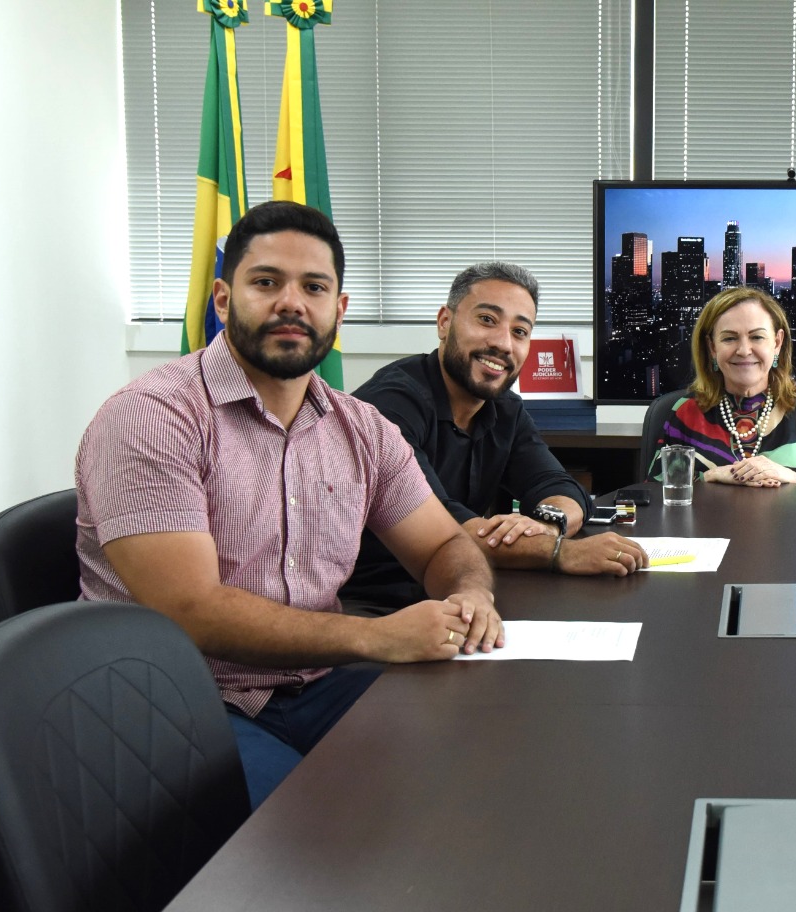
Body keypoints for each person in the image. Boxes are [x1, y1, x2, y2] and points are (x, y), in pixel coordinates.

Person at [76, 201, 504, 808]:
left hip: (313, 681)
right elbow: (188, 610)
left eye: (314, 287)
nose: (292, 303)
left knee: (480, 757)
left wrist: (470, 593)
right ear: (223, 300)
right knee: (310, 832)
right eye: (266, 282)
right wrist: (375, 637)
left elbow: (443, 543)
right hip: (178, 696)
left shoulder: (364, 428)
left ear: (339, 310)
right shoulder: (154, 417)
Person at [343, 262, 647, 613]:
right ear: (445, 323)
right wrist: (561, 551)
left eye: (520, 332)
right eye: (487, 320)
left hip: (463, 590)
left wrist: (548, 524)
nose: (503, 343)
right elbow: (442, 527)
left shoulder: (504, 409)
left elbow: (561, 487)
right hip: (373, 605)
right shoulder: (389, 405)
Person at [644, 287, 796, 487]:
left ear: (777, 343)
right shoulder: (685, 414)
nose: (743, 350)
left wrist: (793, 479)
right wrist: (710, 476)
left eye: (757, 337)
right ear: (712, 347)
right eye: (729, 338)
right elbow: (655, 495)